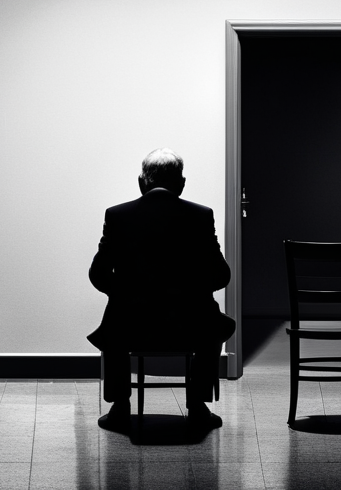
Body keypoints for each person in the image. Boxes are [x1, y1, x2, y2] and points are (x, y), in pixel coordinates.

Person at [87, 148, 235, 431]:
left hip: (131, 325)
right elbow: (221, 274)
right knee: (212, 322)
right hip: (189, 325)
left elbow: (98, 273)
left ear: (142, 182)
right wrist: (193, 291)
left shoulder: (118, 216)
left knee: (115, 316)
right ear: (181, 183)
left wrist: (122, 294)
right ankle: (198, 406)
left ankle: (120, 407)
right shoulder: (201, 216)